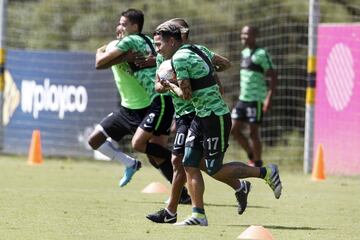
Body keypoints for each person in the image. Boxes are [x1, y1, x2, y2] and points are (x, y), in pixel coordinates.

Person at [152, 23, 282, 226]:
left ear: (172, 41)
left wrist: (170, 84)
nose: (158, 49)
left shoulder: (179, 59)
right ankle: (198, 215)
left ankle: (265, 172)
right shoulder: (198, 49)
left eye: (160, 45)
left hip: (214, 116)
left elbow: (186, 96)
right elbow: (223, 65)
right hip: (200, 116)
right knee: (189, 163)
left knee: (213, 168)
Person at [94, 9, 190, 202]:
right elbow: (161, 58)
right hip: (162, 98)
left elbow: (100, 63)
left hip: (159, 99)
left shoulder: (129, 42)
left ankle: (186, 163)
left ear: (134, 26)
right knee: (155, 154)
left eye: (123, 24)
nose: (119, 27)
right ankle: (182, 194)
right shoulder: (148, 40)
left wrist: (99, 51)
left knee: (139, 144)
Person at [231, 25, 278, 167]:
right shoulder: (244, 52)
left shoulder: (262, 54)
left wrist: (268, 98)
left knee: (253, 132)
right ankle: (252, 155)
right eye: (242, 34)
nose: (243, 37)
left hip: (256, 99)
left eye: (247, 34)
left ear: (254, 36)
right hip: (242, 99)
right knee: (234, 130)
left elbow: (274, 76)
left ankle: (257, 163)